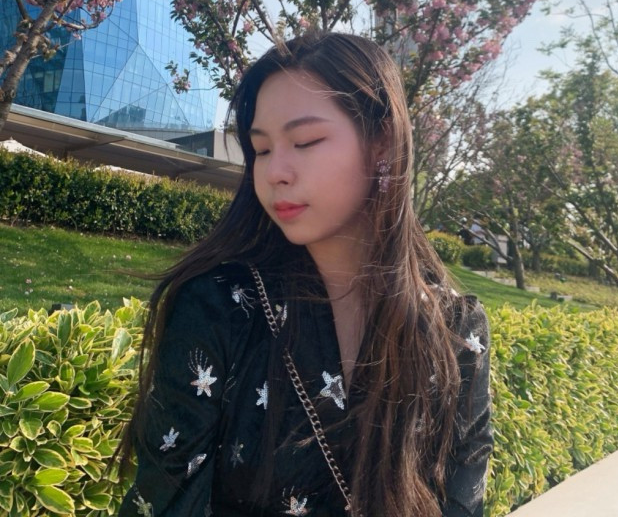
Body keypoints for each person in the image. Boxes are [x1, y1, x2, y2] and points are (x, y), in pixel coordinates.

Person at [117, 31, 492, 517]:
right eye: (261, 150)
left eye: (305, 141)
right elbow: (165, 500)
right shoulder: (220, 307)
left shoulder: (455, 329)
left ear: (382, 143)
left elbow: (462, 497)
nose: (276, 171)